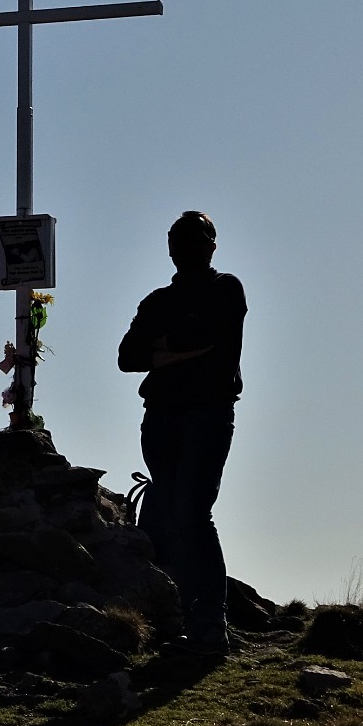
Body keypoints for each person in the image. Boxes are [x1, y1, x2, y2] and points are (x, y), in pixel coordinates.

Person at [118, 211, 246, 656]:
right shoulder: (157, 300)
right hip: (162, 419)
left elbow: (218, 346)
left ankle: (209, 626)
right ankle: (183, 620)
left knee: (191, 514)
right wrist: (181, 348)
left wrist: (163, 348)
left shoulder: (225, 289)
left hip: (207, 416)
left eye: (195, 240)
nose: (186, 248)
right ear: (170, 248)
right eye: (179, 240)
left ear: (211, 246)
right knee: (173, 516)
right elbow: (126, 356)